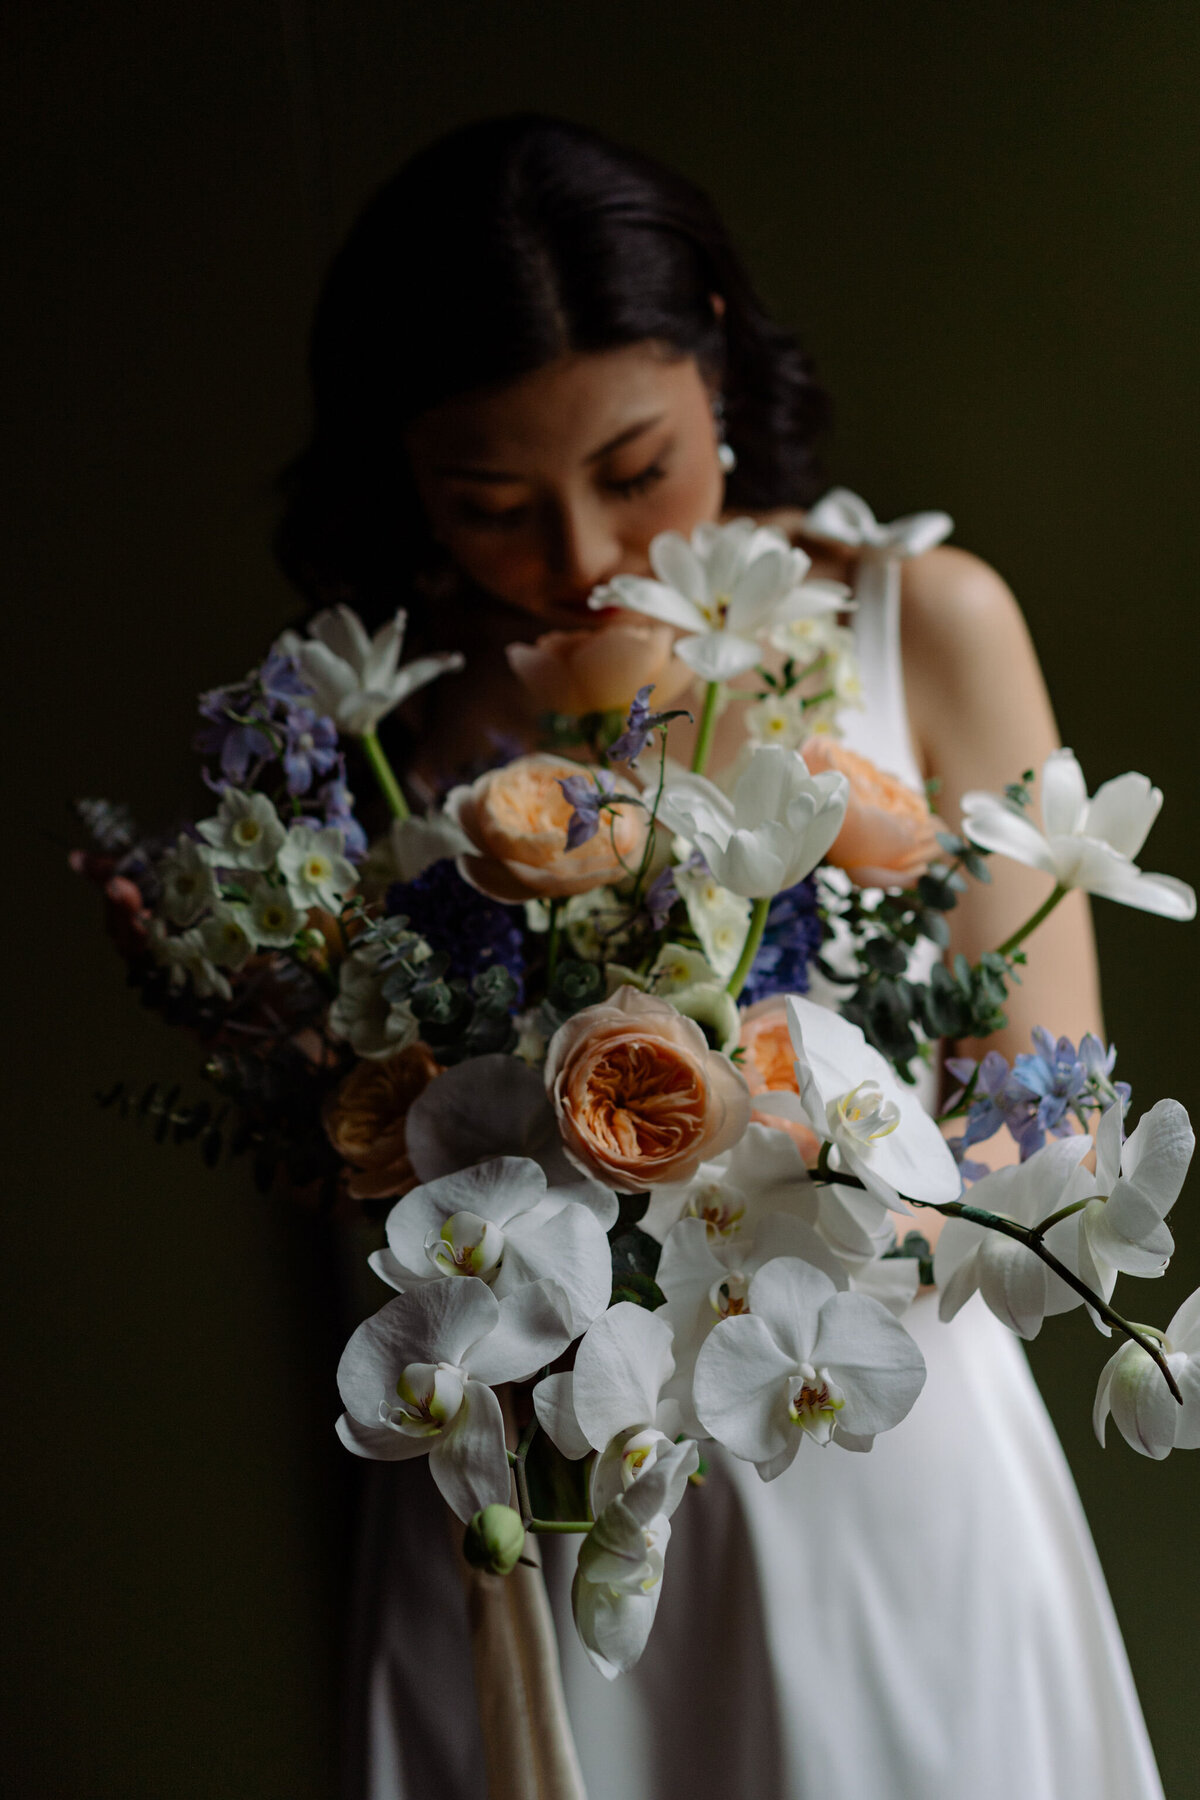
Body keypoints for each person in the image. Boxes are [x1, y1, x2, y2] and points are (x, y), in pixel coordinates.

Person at [277, 115, 1163, 1800]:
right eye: (492, 505)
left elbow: (1046, 1122)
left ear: (715, 347)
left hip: (868, 1466)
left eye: (635, 470)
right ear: (403, 477)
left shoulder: (923, 621)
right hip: (530, 1501)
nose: (587, 557)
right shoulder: (384, 736)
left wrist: (796, 1187)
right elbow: (363, 1178)